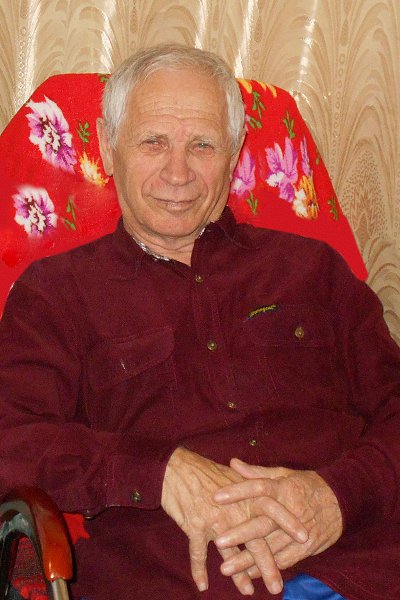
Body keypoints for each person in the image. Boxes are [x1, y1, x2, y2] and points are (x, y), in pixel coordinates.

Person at [0, 44, 399, 600]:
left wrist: (338, 496)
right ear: (107, 147)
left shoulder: (313, 269)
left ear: (234, 153)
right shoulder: (56, 293)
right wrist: (160, 472)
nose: (178, 172)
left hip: (359, 567)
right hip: (174, 579)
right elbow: (13, 437)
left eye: (203, 145)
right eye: (153, 142)